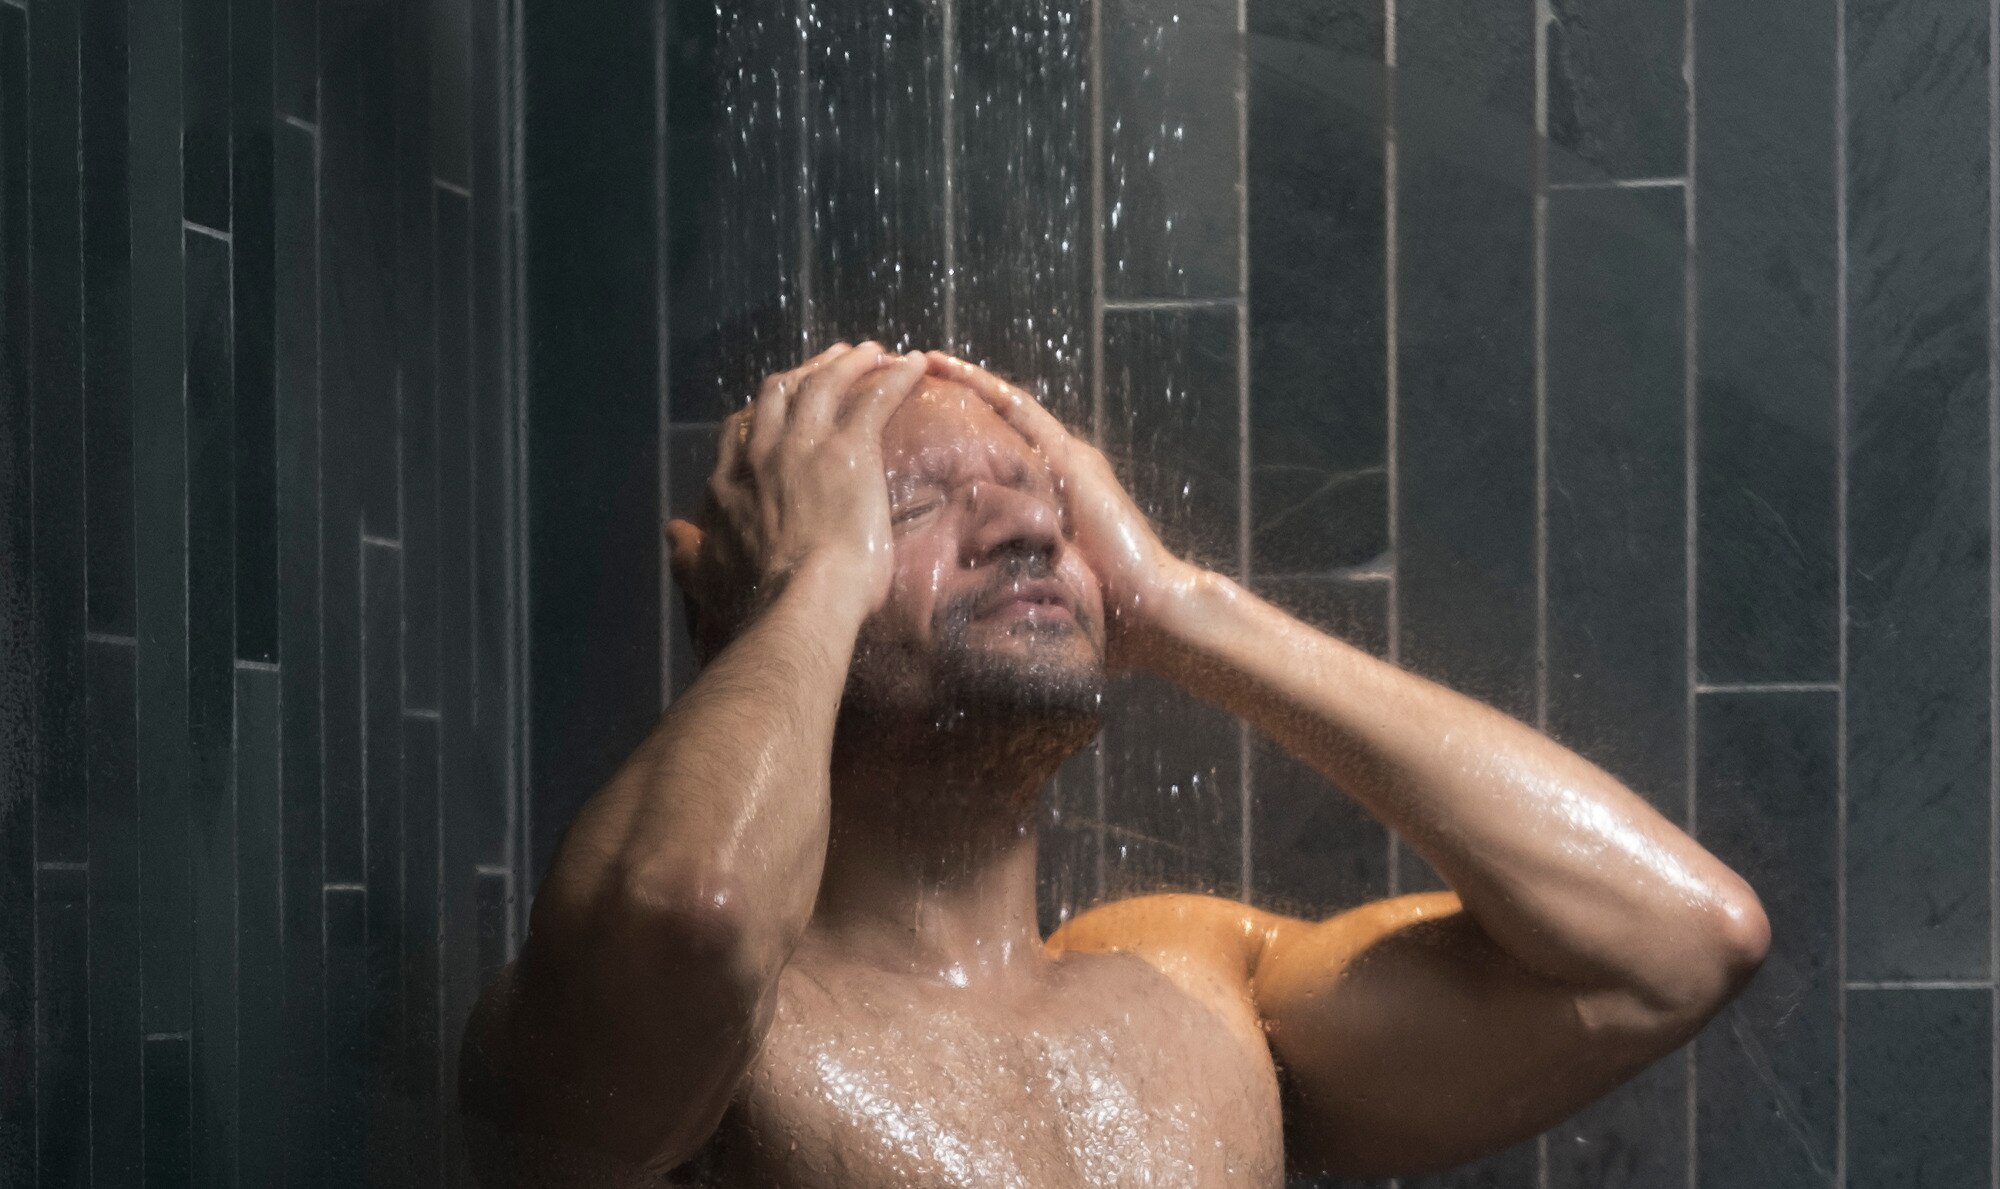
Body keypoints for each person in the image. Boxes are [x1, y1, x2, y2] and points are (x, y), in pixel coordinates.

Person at [460, 342, 1770, 1186]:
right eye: (906, 502)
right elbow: (693, 917)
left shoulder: (1199, 985)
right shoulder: (696, 1041)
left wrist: (1187, 606)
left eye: (1051, 498)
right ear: (739, 597)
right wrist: (804, 580)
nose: (1029, 522)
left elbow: (1670, 941)